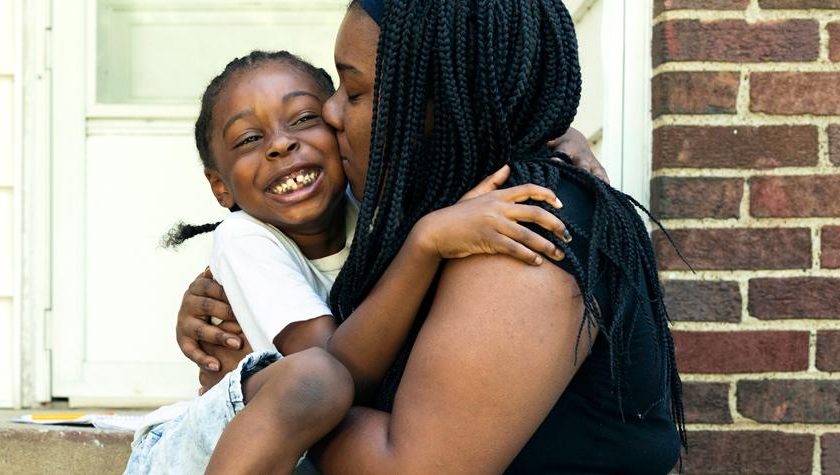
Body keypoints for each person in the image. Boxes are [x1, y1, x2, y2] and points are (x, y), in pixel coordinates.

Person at [173, 1, 685, 473]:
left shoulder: (526, 226)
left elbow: (412, 468)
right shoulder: (450, 215)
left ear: (439, 102)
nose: (329, 115)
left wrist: (256, 395)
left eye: (352, 92)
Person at [127, 50, 573, 475]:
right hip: (202, 448)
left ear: (339, 130)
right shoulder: (243, 238)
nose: (281, 145)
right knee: (315, 378)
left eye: (305, 119)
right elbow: (336, 376)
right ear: (220, 188)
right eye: (249, 139)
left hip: (309, 450)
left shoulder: (373, 209)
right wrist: (426, 245)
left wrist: (566, 142)